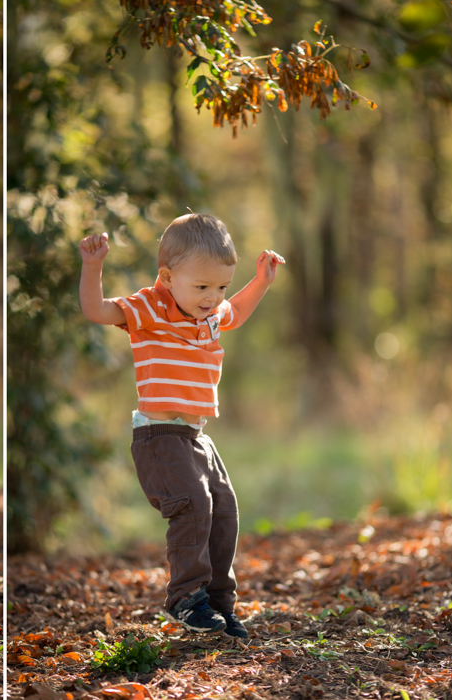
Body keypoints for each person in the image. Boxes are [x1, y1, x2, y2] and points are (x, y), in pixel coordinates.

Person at [79, 213, 284, 638]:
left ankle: (218, 605)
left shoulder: (206, 314)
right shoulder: (149, 307)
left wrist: (260, 281)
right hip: (159, 436)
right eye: (203, 287)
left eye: (221, 287)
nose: (213, 298)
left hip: (196, 437)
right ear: (168, 277)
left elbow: (237, 313)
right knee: (193, 505)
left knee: (224, 511)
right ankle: (185, 598)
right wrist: (93, 266)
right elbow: (95, 310)